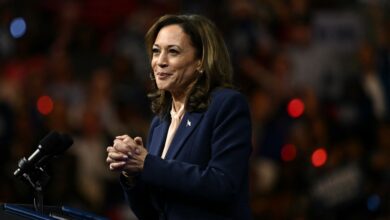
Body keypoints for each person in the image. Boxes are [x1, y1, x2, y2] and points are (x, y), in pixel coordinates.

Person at [106, 14, 253, 220]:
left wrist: (146, 163)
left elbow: (222, 185)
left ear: (200, 62)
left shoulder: (226, 105)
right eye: (156, 52)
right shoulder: (160, 122)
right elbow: (151, 213)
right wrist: (132, 174)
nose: (160, 62)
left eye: (173, 52)